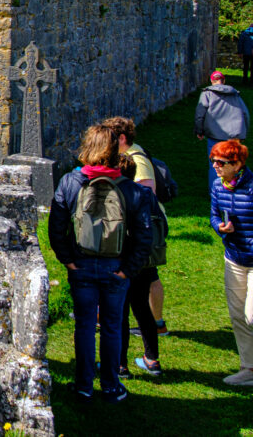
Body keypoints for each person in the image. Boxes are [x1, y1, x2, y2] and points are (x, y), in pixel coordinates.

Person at [48, 122, 153, 403]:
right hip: (115, 266)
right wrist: (127, 270)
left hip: (81, 264)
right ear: (114, 149)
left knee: (84, 325)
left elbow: (56, 226)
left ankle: (83, 384)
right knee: (112, 324)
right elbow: (145, 237)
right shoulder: (132, 190)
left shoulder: (71, 182)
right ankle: (111, 384)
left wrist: (67, 260)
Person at [104, 116, 169, 336]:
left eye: (111, 137)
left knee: (148, 276)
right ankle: (156, 324)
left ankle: (156, 324)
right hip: (142, 226)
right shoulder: (129, 154)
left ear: (121, 138)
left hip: (144, 226)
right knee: (148, 276)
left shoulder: (136, 159)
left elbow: (146, 193)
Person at [116, 153, 167, 378]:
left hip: (122, 261)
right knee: (142, 308)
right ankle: (152, 359)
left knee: (120, 313)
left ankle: (120, 365)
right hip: (145, 259)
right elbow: (161, 225)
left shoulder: (115, 194)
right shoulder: (146, 194)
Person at [208, 139, 253, 386]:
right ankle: (249, 369)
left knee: (252, 316)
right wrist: (220, 227)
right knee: (237, 316)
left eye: (221, 162)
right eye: (213, 161)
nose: (216, 166)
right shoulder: (218, 186)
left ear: (237, 164)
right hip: (234, 258)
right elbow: (214, 214)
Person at [195, 71, 249, 188]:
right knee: (234, 162)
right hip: (234, 135)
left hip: (215, 135)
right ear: (223, 81)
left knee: (215, 164)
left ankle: (216, 191)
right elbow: (245, 114)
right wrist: (243, 134)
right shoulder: (235, 94)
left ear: (212, 81)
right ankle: (235, 187)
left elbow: (200, 114)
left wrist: (199, 131)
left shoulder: (207, 93)